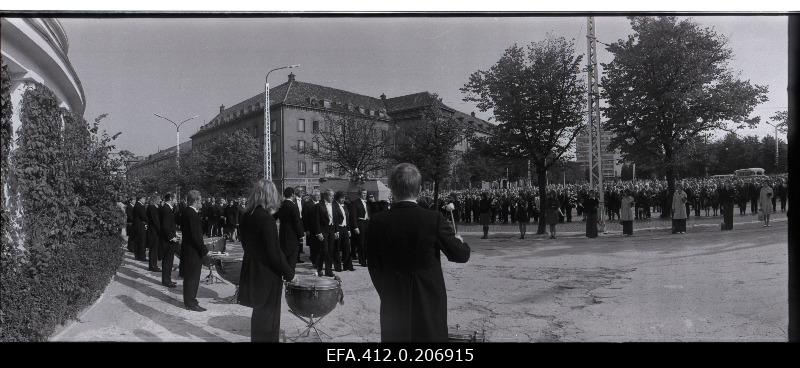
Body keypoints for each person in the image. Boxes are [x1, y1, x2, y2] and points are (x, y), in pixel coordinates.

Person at [366, 163, 470, 342]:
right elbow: (460, 255)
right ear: (420, 189)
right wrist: (460, 242)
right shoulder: (433, 219)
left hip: (393, 297)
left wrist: (387, 291)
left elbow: (374, 266)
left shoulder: (377, 221)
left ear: (391, 189)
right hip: (428, 299)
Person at [238, 179, 295, 342]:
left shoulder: (246, 216)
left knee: (258, 314)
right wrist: (290, 273)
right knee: (269, 317)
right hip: (267, 274)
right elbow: (274, 253)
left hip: (252, 270)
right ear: (269, 195)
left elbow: (245, 243)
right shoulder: (266, 218)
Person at [181, 190, 209, 312]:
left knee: (191, 276)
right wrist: (204, 251)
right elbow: (195, 236)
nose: (201, 202)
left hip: (189, 249)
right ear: (196, 200)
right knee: (192, 277)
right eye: (200, 200)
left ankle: (190, 299)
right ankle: (190, 302)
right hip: (192, 251)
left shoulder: (188, 212)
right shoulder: (192, 214)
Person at [273, 187, 304, 270]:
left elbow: (274, 217)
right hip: (293, 235)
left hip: (283, 233)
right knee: (292, 256)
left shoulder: (281, 205)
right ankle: (290, 275)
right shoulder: (294, 206)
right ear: (293, 195)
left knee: (284, 254)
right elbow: (297, 222)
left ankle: (284, 273)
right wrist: (301, 234)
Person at [312, 190, 337, 277]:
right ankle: (319, 269)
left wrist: (336, 230)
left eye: (333, 196)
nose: (333, 197)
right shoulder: (319, 206)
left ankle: (328, 270)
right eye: (331, 196)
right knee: (324, 250)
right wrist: (318, 233)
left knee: (330, 250)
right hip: (323, 230)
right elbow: (316, 220)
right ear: (326, 196)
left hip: (331, 229)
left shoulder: (333, 205)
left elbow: (335, 218)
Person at [159, 193, 179, 288]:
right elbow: (165, 226)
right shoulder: (166, 209)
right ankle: (166, 281)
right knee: (167, 261)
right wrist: (172, 237)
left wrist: (175, 233)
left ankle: (167, 279)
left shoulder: (168, 208)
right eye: (175, 198)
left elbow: (169, 225)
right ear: (171, 198)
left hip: (169, 238)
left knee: (169, 261)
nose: (177, 200)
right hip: (168, 240)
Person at [351, 189, 371, 267]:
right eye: (363, 193)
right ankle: (362, 260)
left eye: (365, 193)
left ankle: (366, 258)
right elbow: (353, 216)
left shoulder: (367, 202)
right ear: (360, 194)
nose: (364, 195)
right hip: (360, 223)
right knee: (361, 243)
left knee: (366, 243)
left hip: (367, 223)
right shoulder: (355, 203)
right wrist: (355, 227)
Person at [302, 190, 321, 266]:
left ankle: (318, 260)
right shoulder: (307, 204)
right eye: (317, 195)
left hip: (320, 228)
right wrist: (306, 229)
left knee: (320, 245)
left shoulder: (321, 203)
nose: (319, 197)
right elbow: (305, 218)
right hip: (311, 229)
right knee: (313, 246)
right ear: (313, 196)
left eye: (319, 195)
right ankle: (314, 262)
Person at [146, 194, 162, 271]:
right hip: (153, 231)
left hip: (153, 231)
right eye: (159, 199)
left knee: (154, 249)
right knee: (153, 249)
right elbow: (156, 221)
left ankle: (153, 265)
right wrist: (160, 230)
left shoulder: (153, 207)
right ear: (155, 199)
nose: (160, 200)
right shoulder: (152, 208)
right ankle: (152, 266)